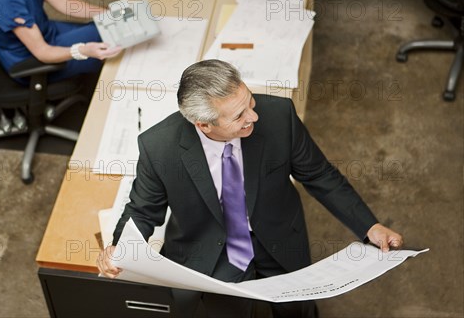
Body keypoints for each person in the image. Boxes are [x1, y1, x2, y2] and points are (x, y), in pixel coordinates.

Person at [97, 59, 403, 318]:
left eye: (250, 103)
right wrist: (119, 250)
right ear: (203, 124)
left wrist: (369, 226)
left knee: (297, 308)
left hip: (278, 233)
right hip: (209, 248)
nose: (253, 117)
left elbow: (320, 175)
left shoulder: (279, 117)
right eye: (239, 116)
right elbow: (142, 210)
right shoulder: (159, 147)